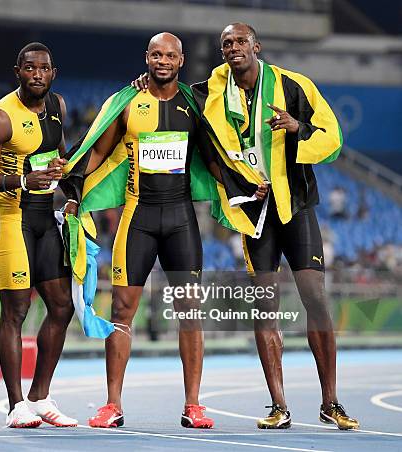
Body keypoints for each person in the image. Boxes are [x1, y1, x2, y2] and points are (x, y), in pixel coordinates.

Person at [137, 23, 359, 430]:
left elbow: (333, 137)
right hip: (253, 212)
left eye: (241, 41)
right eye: (226, 44)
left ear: (257, 46)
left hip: (294, 206)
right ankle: (279, 406)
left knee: (315, 299)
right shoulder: (210, 91)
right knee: (265, 306)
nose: (233, 48)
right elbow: (174, 91)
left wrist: (298, 129)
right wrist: (145, 81)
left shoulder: (294, 86)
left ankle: (331, 402)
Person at [62, 32, 263, 429]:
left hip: (181, 221)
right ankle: (112, 405)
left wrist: (244, 185)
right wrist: (73, 190)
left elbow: (215, 157)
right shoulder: (127, 102)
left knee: (190, 313)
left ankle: (193, 405)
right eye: (156, 54)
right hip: (137, 218)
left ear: (181, 60)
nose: (163, 60)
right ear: (147, 58)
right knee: (122, 311)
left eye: (170, 55)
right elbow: (97, 151)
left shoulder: (194, 103)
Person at [0, 42, 77, 428]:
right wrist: (20, 179)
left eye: (44, 68)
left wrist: (73, 198)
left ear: (53, 73)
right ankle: (16, 404)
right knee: (16, 310)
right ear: (17, 71)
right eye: (29, 68)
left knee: (62, 306)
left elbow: (58, 154)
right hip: (11, 215)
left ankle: (41, 396)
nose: (37, 74)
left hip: (44, 216)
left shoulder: (58, 107)